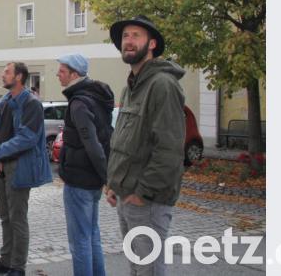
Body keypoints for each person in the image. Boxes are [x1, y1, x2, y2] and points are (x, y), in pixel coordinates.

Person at [105, 15, 186, 276]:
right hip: (125, 195)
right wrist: (113, 183)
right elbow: (124, 141)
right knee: (137, 269)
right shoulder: (130, 87)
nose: (128, 41)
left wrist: (142, 193)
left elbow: (169, 149)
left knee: (148, 270)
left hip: (146, 201)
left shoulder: (162, 85)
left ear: (151, 44)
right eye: (125, 36)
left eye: (135, 36)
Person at [0, 62, 52, 276]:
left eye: (7, 72)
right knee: (5, 218)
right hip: (1, 166)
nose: (3, 75)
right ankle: (5, 260)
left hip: (19, 167)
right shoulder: (6, 100)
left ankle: (17, 266)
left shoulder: (31, 103)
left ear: (19, 76)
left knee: (17, 219)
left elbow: (27, 138)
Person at [56, 54, 114, 276]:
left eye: (62, 71)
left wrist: (107, 178)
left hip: (80, 181)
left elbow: (92, 144)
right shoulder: (94, 97)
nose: (58, 74)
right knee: (92, 235)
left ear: (74, 74)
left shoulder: (79, 103)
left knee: (80, 240)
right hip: (91, 180)